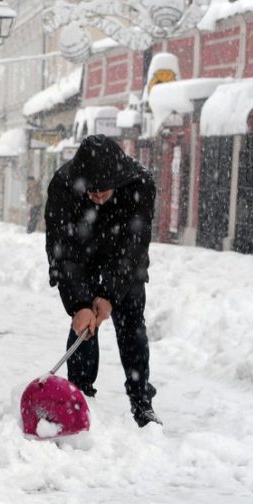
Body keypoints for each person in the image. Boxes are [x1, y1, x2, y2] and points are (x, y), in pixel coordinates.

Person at [44, 134, 160, 428]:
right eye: (91, 191)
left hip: (124, 258)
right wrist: (80, 303)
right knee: (84, 325)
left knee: (132, 321)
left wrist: (109, 293)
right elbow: (61, 251)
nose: (95, 196)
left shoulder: (140, 183)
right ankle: (81, 396)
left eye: (102, 190)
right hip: (80, 257)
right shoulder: (64, 185)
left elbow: (135, 245)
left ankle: (141, 401)